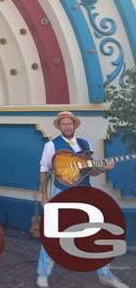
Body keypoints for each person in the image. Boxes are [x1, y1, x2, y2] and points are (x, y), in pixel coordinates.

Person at [36, 111, 127, 288]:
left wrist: (104, 169)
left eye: (70, 124)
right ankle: (43, 275)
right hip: (62, 192)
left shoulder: (85, 144)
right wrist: (45, 197)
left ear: (74, 125)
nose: (67, 126)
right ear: (59, 126)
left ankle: (105, 275)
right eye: (64, 124)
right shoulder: (51, 146)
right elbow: (44, 171)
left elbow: (91, 171)